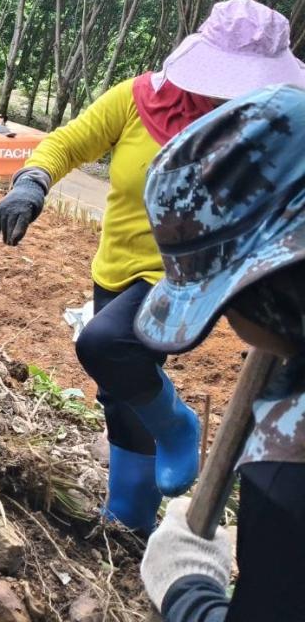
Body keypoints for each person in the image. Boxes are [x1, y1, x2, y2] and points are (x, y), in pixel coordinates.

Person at [0, 0, 305, 532]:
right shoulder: (139, 100)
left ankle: (179, 427)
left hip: (187, 280)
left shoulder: (268, 131)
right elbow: (69, 141)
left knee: (103, 343)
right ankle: (127, 521)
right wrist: (32, 182)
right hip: (115, 266)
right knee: (119, 394)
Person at [134, 84, 305, 620]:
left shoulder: (289, 471)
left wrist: (188, 590)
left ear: (271, 289)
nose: (226, 323)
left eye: (221, 301)